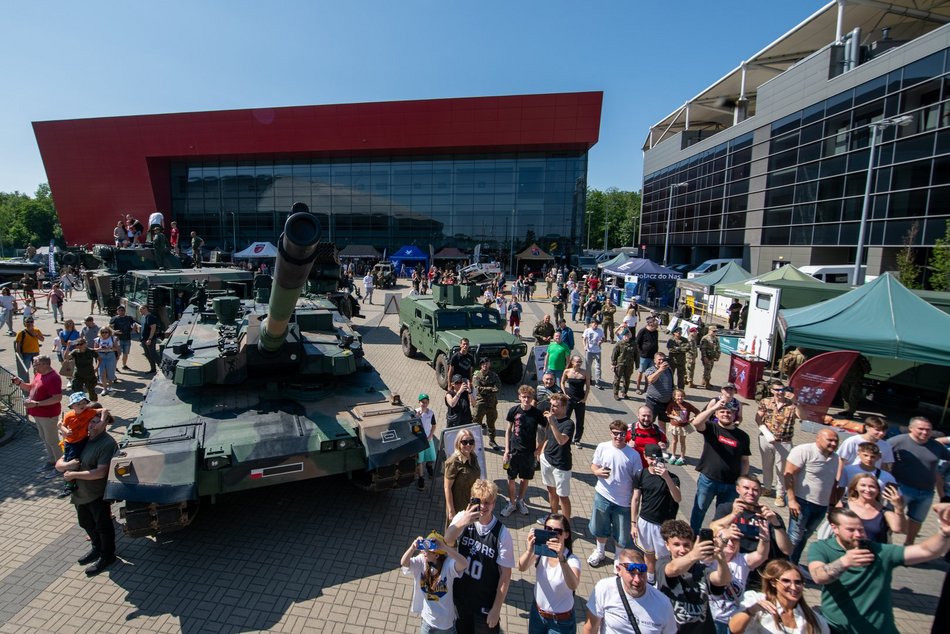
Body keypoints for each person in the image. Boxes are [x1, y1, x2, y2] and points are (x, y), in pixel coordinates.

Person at [807, 506, 950, 634]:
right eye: (850, 530)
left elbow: (926, 551)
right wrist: (845, 561)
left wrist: (944, 533)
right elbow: (818, 576)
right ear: (835, 528)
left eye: (861, 529)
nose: (858, 534)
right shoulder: (821, 548)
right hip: (837, 628)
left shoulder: (880, 551)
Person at [445, 480, 514, 634]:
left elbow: (505, 575)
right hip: (461, 597)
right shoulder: (463, 519)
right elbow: (448, 539)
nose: (483, 507)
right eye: (479, 501)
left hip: (484, 602)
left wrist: (496, 608)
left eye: (487, 502)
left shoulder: (502, 534)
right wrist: (463, 521)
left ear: (494, 503)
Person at [56, 407, 118, 576]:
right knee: (85, 523)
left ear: (104, 424)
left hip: (96, 493)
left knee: (103, 526)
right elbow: (60, 463)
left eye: (96, 422)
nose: (91, 425)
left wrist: (73, 474)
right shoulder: (81, 438)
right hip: (80, 493)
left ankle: (108, 555)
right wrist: (67, 466)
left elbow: (100, 472)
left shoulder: (107, 443)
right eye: (90, 421)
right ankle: (96, 548)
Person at [709, 475, 793, 592]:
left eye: (755, 490)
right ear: (738, 489)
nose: (751, 492)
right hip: (736, 570)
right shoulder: (727, 509)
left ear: (760, 492)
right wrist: (734, 515)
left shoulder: (769, 515)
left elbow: (787, 550)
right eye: (746, 488)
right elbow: (712, 529)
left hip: (761, 574)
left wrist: (775, 523)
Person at [656, 519, 732, 634]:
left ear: (692, 544)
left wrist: (721, 560)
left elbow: (722, 580)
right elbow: (673, 569)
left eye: (686, 545)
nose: (682, 550)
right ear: (667, 545)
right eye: (676, 545)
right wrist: (694, 555)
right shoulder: (662, 563)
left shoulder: (700, 568)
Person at [688, 399, 752, 533]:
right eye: (722, 412)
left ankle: (717, 539)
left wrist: (742, 480)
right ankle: (693, 536)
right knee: (699, 510)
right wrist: (713, 408)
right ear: (716, 415)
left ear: (735, 415)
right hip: (708, 480)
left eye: (729, 412)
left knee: (723, 516)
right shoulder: (712, 428)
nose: (726, 414)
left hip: (730, 484)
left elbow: (744, 460)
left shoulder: (743, 436)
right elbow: (696, 423)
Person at [588, 420, 643, 567]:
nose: (618, 437)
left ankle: (618, 558)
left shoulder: (633, 455)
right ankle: (600, 551)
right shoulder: (602, 447)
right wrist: (596, 471)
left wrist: (634, 497)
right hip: (602, 495)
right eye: (615, 434)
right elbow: (594, 465)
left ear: (627, 435)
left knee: (622, 533)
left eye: (622, 434)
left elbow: (638, 479)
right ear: (610, 433)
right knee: (600, 527)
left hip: (623, 501)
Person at [583, 548, 677, 634]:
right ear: (619, 570)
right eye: (632, 573)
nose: (637, 579)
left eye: (641, 574)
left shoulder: (663, 603)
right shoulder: (605, 589)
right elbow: (590, 628)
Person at [888, 416, 950, 544]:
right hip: (902, 488)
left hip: (926, 491)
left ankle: (909, 545)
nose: (925, 432)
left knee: (917, 520)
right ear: (910, 428)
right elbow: (880, 455)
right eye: (921, 429)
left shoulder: (936, 446)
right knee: (892, 518)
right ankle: (885, 543)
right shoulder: (897, 441)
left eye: (928, 429)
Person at [783, 428, 840, 564]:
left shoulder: (835, 458)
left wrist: (832, 505)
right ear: (818, 438)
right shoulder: (803, 451)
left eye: (836, 441)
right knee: (794, 537)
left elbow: (833, 482)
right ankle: (784, 565)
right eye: (830, 440)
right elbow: (788, 475)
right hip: (801, 501)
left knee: (804, 537)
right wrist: (791, 500)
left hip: (821, 505)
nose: (833, 444)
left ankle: (793, 564)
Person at [518, 513, 581, 634]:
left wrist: (561, 558)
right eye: (548, 529)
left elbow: (573, 585)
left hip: (561, 623)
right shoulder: (541, 552)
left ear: (566, 535)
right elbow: (521, 567)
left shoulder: (572, 560)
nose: (552, 534)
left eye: (557, 531)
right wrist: (529, 550)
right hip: (538, 615)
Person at [728, 559, 830, 634]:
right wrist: (751, 610)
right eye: (786, 581)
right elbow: (734, 629)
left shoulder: (813, 618)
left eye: (798, 582)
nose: (793, 587)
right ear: (773, 582)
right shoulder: (757, 601)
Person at [631, 444, 682, 584]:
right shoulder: (641, 474)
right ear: (646, 458)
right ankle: (651, 578)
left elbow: (678, 498)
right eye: (651, 458)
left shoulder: (673, 477)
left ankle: (664, 580)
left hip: (664, 525)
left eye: (658, 458)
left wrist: (667, 478)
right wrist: (633, 524)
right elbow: (635, 500)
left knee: (665, 556)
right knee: (648, 553)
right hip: (645, 521)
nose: (655, 462)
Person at [400, 530, 468, 634]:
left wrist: (445, 548)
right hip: (427, 621)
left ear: (436, 555)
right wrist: (412, 547)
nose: (423, 551)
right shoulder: (422, 561)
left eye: (427, 550)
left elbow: (464, 564)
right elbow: (404, 563)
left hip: (445, 626)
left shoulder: (448, 565)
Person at [708, 523, 772, 634]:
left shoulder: (742, 560)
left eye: (735, 540)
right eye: (727, 539)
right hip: (710, 618)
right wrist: (723, 539)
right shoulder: (710, 558)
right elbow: (706, 556)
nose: (731, 543)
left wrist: (765, 538)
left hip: (733, 620)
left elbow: (761, 555)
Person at [13, 355, 63, 476]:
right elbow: (31, 387)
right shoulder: (39, 373)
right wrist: (19, 383)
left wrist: (36, 404)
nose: (34, 366)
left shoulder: (53, 378)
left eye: (36, 364)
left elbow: (57, 398)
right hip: (38, 414)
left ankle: (60, 466)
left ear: (45, 364)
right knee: (45, 438)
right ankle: (52, 461)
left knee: (52, 440)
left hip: (48, 415)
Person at [501, 385, 546, 517]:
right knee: (511, 478)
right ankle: (511, 503)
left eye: (529, 397)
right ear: (519, 397)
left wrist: (539, 449)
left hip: (529, 452)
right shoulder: (513, 411)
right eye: (524, 397)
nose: (526, 399)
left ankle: (520, 500)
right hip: (514, 451)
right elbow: (508, 430)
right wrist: (506, 450)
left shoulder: (537, 414)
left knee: (525, 478)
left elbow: (547, 431)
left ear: (532, 398)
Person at [756, 383, 799, 507]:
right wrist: (765, 431)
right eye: (777, 390)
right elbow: (758, 417)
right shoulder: (766, 401)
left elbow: (803, 416)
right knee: (766, 465)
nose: (780, 392)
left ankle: (780, 494)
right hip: (766, 439)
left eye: (783, 390)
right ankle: (767, 488)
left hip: (784, 442)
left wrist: (796, 401)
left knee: (781, 469)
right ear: (771, 391)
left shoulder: (792, 405)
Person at [538, 394, 575, 521]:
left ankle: (565, 524)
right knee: (551, 491)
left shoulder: (568, 424)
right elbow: (547, 437)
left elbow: (561, 440)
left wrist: (552, 422)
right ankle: (553, 517)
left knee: (563, 496)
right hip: (547, 460)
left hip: (561, 465)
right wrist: (541, 452)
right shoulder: (551, 419)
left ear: (564, 407)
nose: (552, 408)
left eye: (555, 406)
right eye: (551, 405)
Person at [844, 472, 906, 543]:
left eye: (872, 486)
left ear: (878, 490)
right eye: (863, 485)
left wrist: (898, 508)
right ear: (855, 487)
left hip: (874, 551)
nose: (868, 489)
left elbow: (898, 529)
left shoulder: (884, 511)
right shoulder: (844, 505)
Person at [56, 392, 98, 497]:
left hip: (92, 490)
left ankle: (69, 485)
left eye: (83, 403)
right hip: (70, 442)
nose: (81, 405)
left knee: (71, 462)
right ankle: (69, 485)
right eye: (78, 403)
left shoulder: (104, 442)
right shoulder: (69, 416)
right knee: (68, 461)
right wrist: (64, 430)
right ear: (72, 406)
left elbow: (101, 472)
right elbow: (59, 466)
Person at [443, 428, 481, 525]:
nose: (468, 445)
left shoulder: (473, 456)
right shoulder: (453, 462)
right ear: (458, 443)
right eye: (464, 442)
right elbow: (447, 487)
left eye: (471, 442)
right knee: (456, 536)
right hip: (458, 505)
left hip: (472, 503)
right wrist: (451, 510)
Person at [471, 358, 501, 450]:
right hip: (480, 403)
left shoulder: (494, 375)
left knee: (491, 423)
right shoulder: (476, 376)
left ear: (489, 365)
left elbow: (498, 387)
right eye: (483, 363)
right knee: (476, 423)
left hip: (491, 404)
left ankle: (492, 440)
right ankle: (475, 441)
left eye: (487, 363)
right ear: (481, 365)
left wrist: (486, 389)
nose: (485, 365)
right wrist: (490, 389)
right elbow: (477, 388)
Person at [561, 354, 590, 446]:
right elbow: (562, 382)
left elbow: (588, 387)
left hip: (580, 400)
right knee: (566, 419)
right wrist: (565, 394)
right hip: (569, 399)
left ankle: (577, 439)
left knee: (580, 421)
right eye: (577, 361)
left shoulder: (585, 372)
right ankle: (565, 437)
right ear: (572, 362)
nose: (579, 363)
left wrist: (584, 399)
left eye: (580, 362)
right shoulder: (567, 371)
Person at [666, 388, 699, 465]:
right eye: (678, 396)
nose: (680, 398)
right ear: (674, 396)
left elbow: (697, 412)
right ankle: (673, 456)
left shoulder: (687, 405)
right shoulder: (672, 404)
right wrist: (675, 417)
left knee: (682, 442)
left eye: (682, 396)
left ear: (684, 396)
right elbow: (668, 414)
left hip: (684, 426)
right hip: (674, 426)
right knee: (674, 441)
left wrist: (692, 418)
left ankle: (682, 457)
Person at [644, 353, 675, 433]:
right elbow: (651, 380)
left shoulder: (669, 369)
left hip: (666, 402)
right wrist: (660, 370)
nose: (662, 361)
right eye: (659, 359)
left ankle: (662, 440)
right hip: (653, 401)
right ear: (654, 361)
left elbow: (671, 383)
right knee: (648, 421)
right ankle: (647, 438)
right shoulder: (650, 369)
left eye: (663, 359)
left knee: (662, 423)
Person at [415, 394, 437, 490]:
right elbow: (412, 427)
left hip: (429, 439)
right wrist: (416, 418)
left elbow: (434, 426)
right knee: (420, 461)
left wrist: (431, 435)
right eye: (422, 402)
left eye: (426, 402)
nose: (424, 404)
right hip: (419, 441)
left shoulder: (431, 413)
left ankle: (428, 466)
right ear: (419, 402)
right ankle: (421, 478)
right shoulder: (415, 412)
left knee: (432, 457)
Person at [610, 327, 637, 400]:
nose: (626, 337)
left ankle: (624, 392)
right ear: (622, 336)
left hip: (629, 364)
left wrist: (637, 364)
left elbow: (636, 355)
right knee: (617, 379)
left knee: (627, 379)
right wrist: (613, 364)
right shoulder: (619, 344)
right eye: (625, 335)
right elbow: (614, 355)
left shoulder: (633, 344)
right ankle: (616, 393)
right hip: (620, 364)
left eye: (627, 335)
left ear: (629, 336)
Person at [634, 318, 659, 395]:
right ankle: (638, 387)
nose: (656, 328)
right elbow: (637, 342)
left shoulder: (656, 332)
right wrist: (640, 352)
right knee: (641, 372)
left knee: (649, 373)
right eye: (655, 326)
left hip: (653, 356)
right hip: (644, 356)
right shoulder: (643, 331)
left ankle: (646, 388)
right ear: (650, 325)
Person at [93, 326, 118, 395]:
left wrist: (110, 348)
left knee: (110, 372)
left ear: (109, 332)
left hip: (110, 356)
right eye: (102, 332)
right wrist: (99, 349)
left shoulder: (113, 338)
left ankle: (110, 386)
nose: (104, 334)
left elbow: (116, 348)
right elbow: (94, 348)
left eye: (106, 332)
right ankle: (104, 388)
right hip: (101, 357)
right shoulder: (97, 339)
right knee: (102, 372)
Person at [582, 317, 605, 389]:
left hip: (597, 351)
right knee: (588, 367)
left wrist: (601, 341)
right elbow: (584, 339)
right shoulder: (587, 330)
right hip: (589, 351)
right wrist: (585, 346)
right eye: (594, 324)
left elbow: (603, 338)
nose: (596, 325)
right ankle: (589, 379)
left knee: (598, 367)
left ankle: (597, 381)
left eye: (597, 324)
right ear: (591, 324)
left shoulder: (600, 331)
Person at [139, 304, 160, 373]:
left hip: (149, 339)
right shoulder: (143, 317)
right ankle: (153, 369)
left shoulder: (150, 317)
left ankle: (163, 368)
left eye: (142, 308)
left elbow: (153, 327)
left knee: (153, 354)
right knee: (148, 354)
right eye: (140, 309)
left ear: (146, 309)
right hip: (143, 339)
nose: (140, 310)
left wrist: (150, 339)